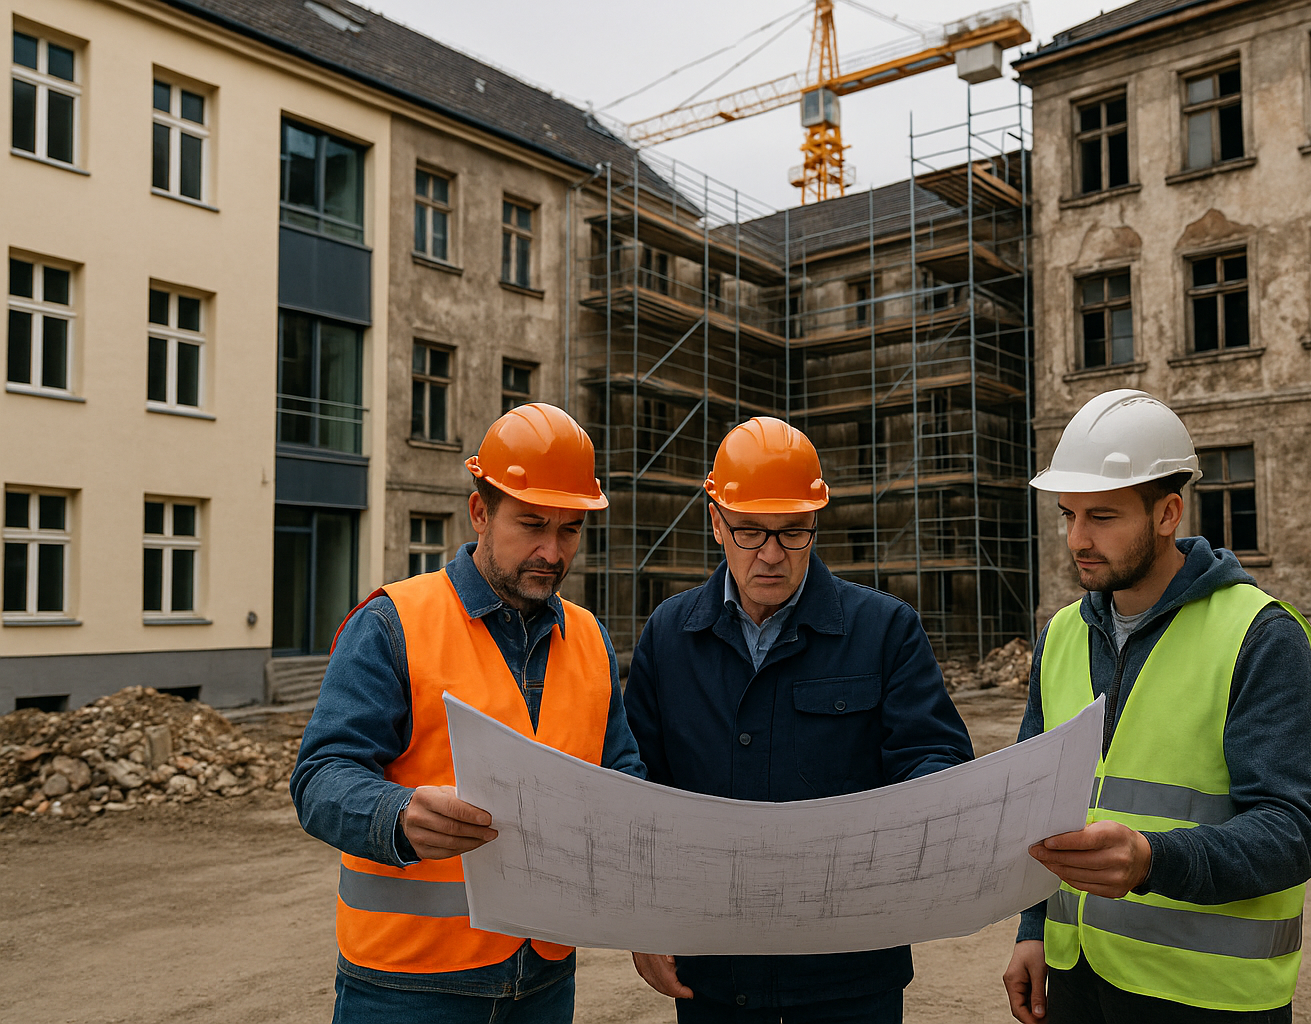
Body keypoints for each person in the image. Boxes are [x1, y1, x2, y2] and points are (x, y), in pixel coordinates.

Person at [291, 403, 646, 1024]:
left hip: (544, 977)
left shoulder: (589, 638)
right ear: (480, 511)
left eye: (569, 530)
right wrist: (396, 815)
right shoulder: (392, 624)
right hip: (408, 988)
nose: (551, 551)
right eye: (532, 524)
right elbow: (320, 777)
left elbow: (620, 772)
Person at [624, 416, 974, 1024]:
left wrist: (919, 808)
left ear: (816, 524)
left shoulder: (884, 631)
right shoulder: (669, 637)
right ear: (715, 522)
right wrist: (643, 917)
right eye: (751, 533)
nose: (771, 556)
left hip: (850, 970)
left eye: (792, 534)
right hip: (716, 970)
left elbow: (935, 758)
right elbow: (637, 791)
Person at [1001, 389, 1311, 1024]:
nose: (1077, 539)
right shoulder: (1063, 634)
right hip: (1078, 979)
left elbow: (1294, 831)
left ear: (1167, 512)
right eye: (1068, 515)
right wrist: (1032, 930)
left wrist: (1154, 860)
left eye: (1101, 516)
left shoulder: (1261, 635)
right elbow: (1039, 809)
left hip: (1207, 996)